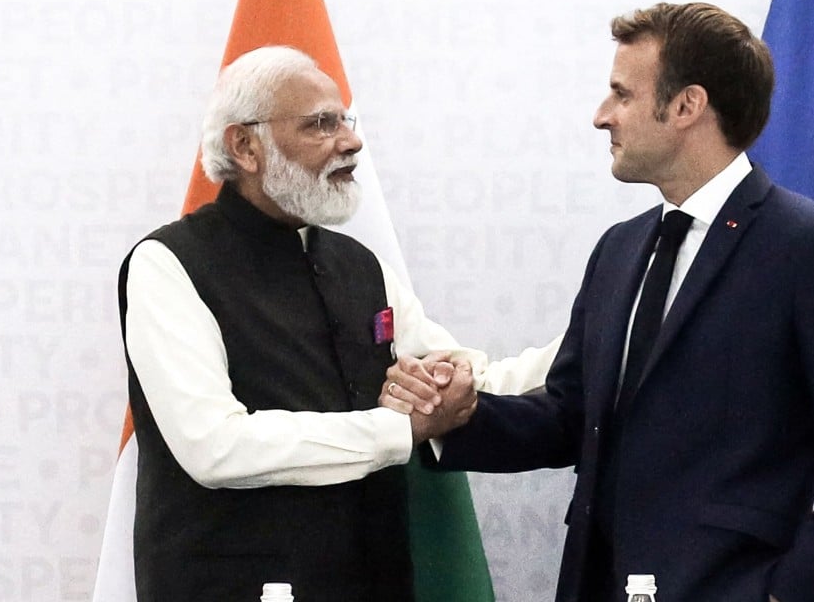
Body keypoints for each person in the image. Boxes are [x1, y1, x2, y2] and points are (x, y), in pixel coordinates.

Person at [384, 3, 814, 602]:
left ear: (687, 106)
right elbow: (570, 415)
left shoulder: (812, 246)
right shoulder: (620, 247)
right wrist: (462, 417)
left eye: (621, 95)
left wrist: (792, 593)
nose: (600, 116)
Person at [119, 45, 553, 601]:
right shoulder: (169, 263)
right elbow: (217, 446)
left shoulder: (359, 265)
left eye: (344, 120)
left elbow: (465, 380)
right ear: (245, 146)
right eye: (321, 125)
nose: (351, 142)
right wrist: (396, 430)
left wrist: (601, 340)